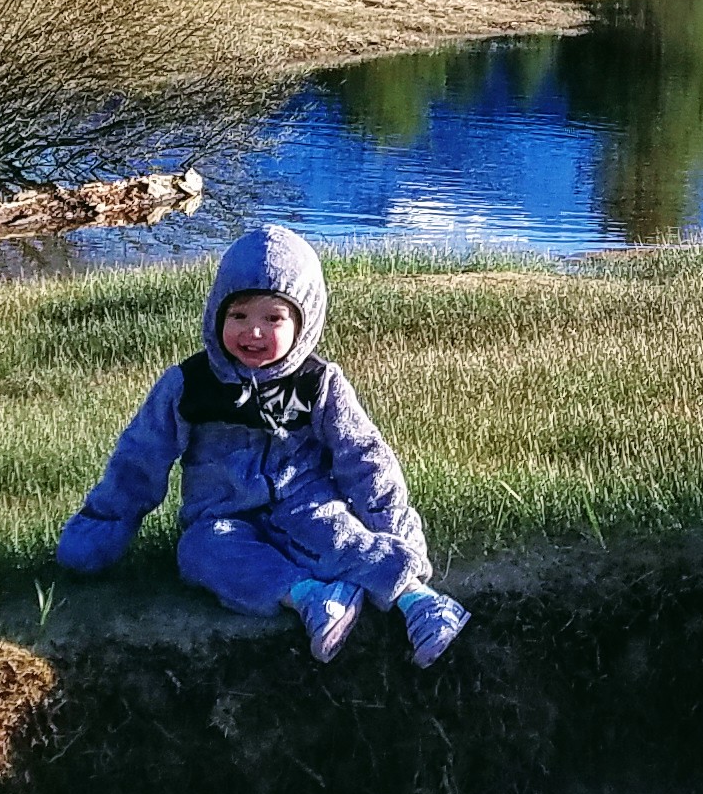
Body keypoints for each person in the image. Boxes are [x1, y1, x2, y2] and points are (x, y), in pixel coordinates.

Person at [57, 223, 470, 666]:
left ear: (304, 320)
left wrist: (394, 525)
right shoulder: (190, 385)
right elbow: (140, 459)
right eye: (239, 316)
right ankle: (313, 597)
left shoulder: (319, 384)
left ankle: (420, 601)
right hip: (221, 515)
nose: (253, 332)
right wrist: (103, 524)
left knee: (341, 539)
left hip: (305, 504)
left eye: (272, 318)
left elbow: (364, 458)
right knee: (199, 552)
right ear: (217, 315)